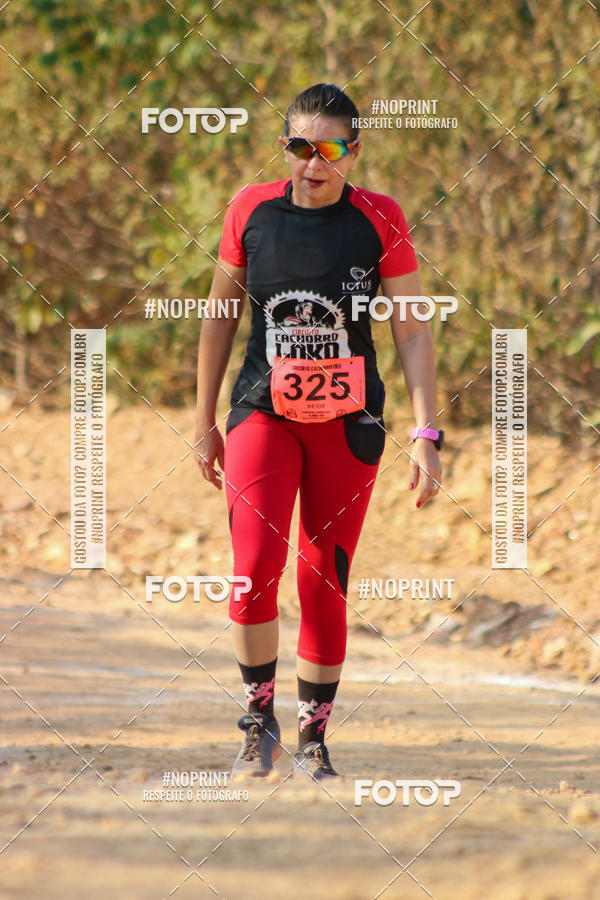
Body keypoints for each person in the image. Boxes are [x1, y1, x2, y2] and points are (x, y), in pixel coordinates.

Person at [194, 83, 443, 782]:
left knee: (322, 578)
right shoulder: (251, 209)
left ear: (352, 152)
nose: (313, 163)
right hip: (260, 412)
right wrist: (203, 419)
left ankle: (314, 738)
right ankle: (257, 724)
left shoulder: (379, 217)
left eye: (329, 149)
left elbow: (413, 326)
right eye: (301, 147)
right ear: (286, 149)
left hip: (348, 424)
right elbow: (219, 316)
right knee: (251, 573)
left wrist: (427, 433)